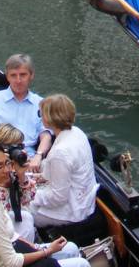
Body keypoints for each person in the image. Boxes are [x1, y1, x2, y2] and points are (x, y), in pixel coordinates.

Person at [0, 143, 88, 267]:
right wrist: (47, 251)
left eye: (7, 163)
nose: (7, 170)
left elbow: (10, 234)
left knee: (70, 248)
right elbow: (12, 262)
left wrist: (33, 247)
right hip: (7, 262)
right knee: (82, 263)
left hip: (2, 255)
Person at [0, 54, 52, 172]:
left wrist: (39, 156)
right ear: (7, 77)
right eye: (13, 75)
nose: (18, 80)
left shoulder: (41, 103)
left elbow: (46, 135)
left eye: (23, 75)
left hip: (27, 159)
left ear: (31, 75)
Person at [28, 95, 98, 230]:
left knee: (17, 210)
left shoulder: (60, 153)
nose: (40, 117)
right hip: (83, 201)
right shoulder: (77, 132)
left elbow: (58, 197)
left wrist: (29, 195)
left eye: (40, 114)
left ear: (48, 118)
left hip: (70, 212)